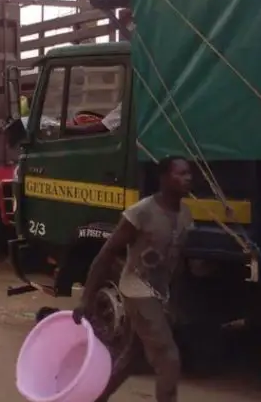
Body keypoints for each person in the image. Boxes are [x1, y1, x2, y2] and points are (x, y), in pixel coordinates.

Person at [73, 156, 194, 402]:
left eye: (188, 173)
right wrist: (86, 299)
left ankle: (96, 398)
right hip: (136, 289)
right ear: (163, 178)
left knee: (133, 357)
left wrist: (173, 301)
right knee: (168, 359)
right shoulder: (141, 213)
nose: (187, 178)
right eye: (179, 173)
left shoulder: (185, 216)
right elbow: (106, 255)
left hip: (160, 292)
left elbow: (177, 264)